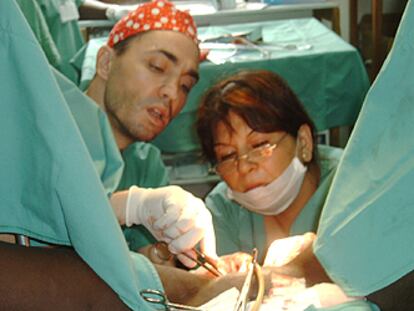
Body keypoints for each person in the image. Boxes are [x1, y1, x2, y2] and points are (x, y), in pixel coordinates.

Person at [196, 69, 343, 263]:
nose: (243, 167)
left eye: (259, 146)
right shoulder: (223, 210)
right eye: (228, 155)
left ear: (304, 143)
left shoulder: (348, 184)